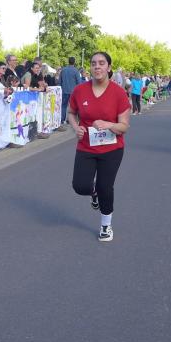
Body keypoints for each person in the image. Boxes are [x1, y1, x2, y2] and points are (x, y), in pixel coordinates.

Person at [67, 51, 131, 242]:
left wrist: (108, 125)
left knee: (106, 187)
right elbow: (71, 112)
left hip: (112, 149)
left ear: (109, 67)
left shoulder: (118, 93)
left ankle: (106, 225)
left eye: (102, 63)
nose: (97, 66)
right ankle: (93, 192)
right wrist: (76, 127)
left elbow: (124, 126)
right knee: (80, 186)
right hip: (86, 146)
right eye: (94, 63)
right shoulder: (80, 90)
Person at [59, 56, 82, 123]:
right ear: (74, 62)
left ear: (68, 61)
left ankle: (62, 119)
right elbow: (79, 82)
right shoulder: (76, 71)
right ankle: (69, 119)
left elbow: (60, 81)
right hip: (73, 92)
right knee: (72, 106)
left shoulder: (63, 70)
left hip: (64, 90)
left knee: (63, 105)